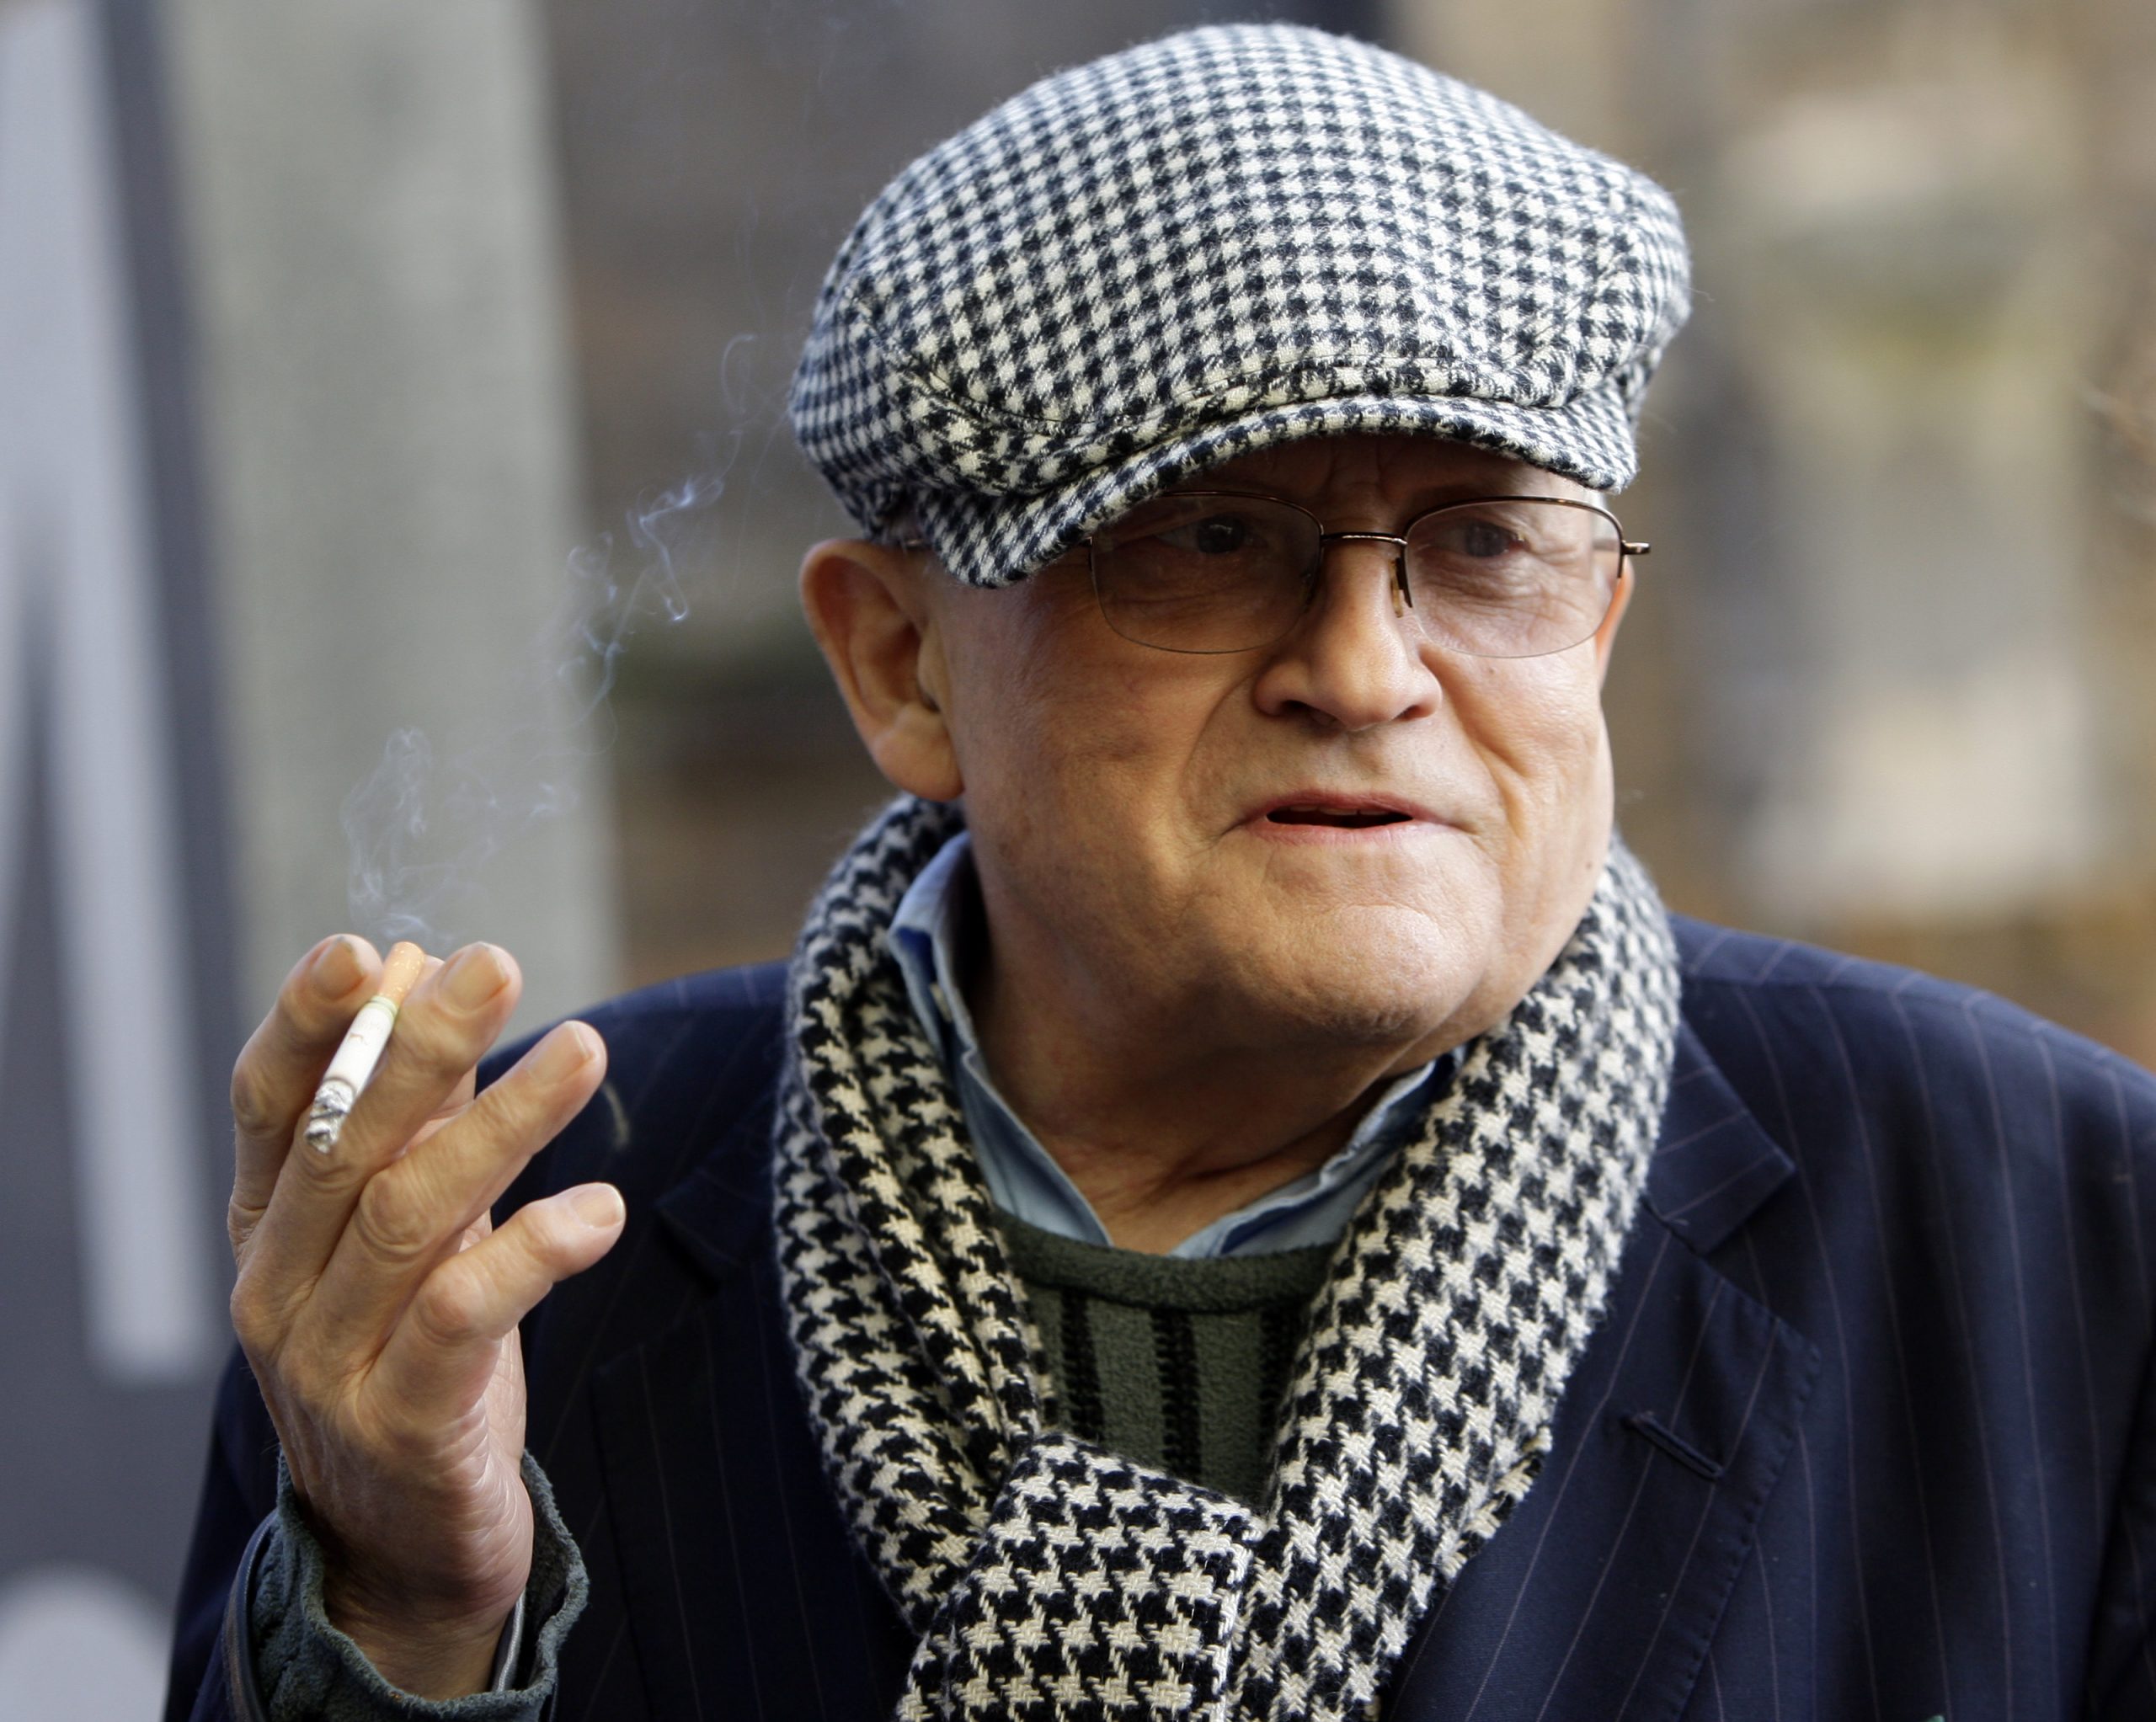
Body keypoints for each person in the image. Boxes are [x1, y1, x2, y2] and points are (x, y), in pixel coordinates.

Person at [167, 24, 2156, 1722]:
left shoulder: (2045, 1229)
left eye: (1481, 544)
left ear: (1601, 618)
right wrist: (407, 1622)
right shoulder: (480, 1263)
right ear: (898, 661)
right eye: (1207, 542)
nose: (1367, 670)